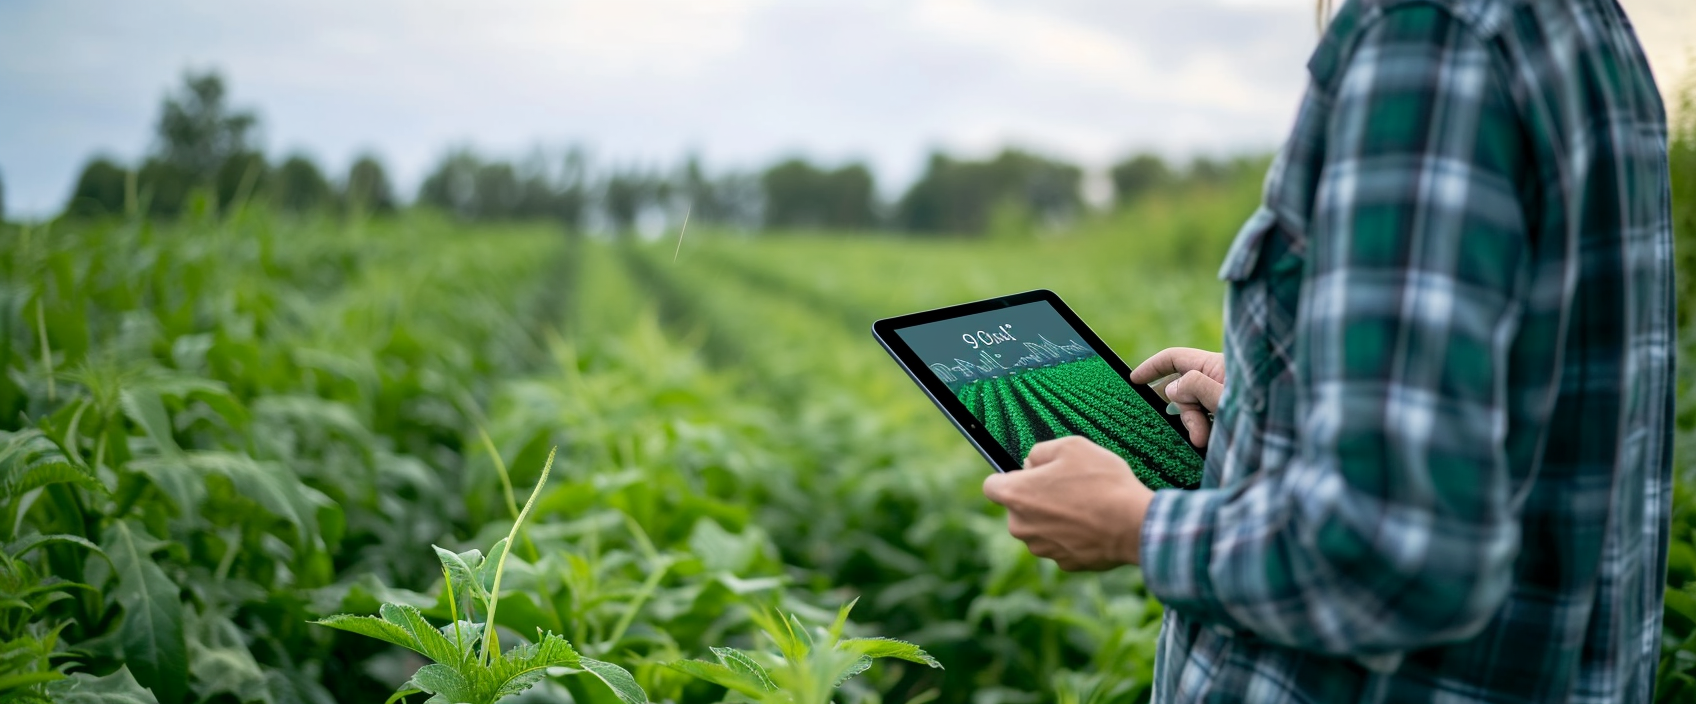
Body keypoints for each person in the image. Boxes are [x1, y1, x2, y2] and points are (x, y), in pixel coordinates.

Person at [981, 0, 1675, 700]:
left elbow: (1397, 553)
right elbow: (1532, 398)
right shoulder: (1580, 25)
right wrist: (1273, 408)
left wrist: (1136, 526)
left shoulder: (1429, 36)